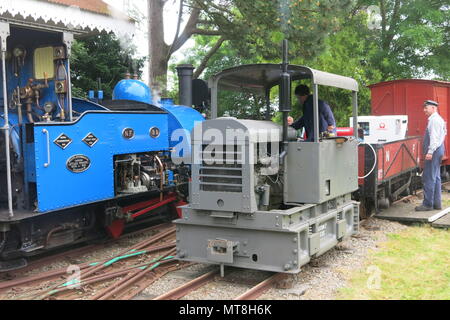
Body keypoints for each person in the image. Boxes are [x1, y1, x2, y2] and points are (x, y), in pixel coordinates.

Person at [415, 100, 447, 211]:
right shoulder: (439, 119)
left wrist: (430, 151)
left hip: (434, 151)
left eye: (426, 108)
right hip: (439, 149)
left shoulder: (434, 121)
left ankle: (427, 204)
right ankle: (437, 204)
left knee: (428, 177)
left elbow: (434, 137)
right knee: (436, 177)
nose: (424, 110)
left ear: (433, 108)